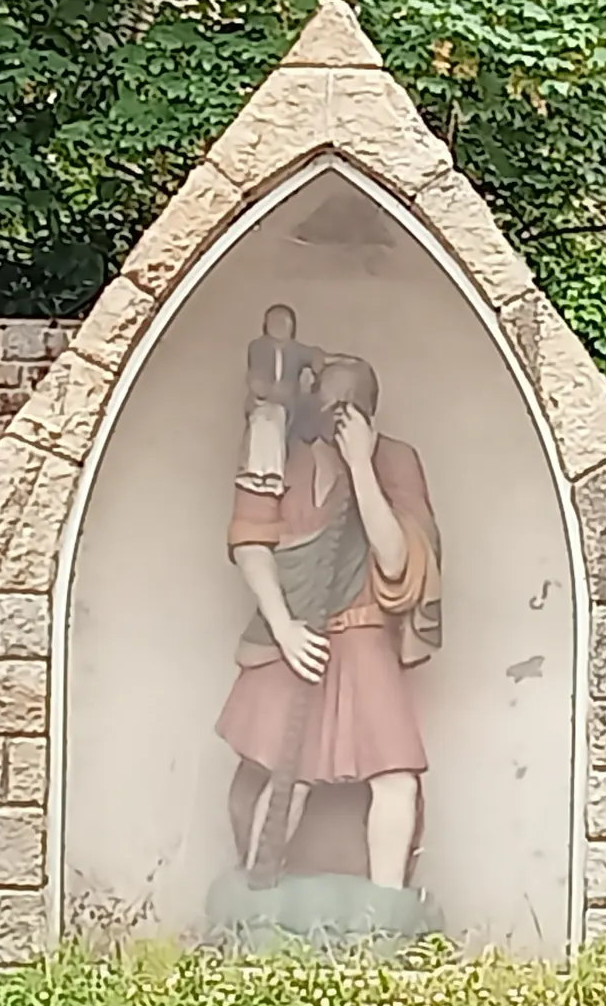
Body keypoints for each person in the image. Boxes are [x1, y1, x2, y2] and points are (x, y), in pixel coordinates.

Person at [215, 354, 443, 891]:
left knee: (396, 777)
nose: (335, 416)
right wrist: (284, 629)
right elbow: (252, 546)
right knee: (283, 775)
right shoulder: (278, 458)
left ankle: (389, 910)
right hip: (294, 635)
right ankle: (255, 894)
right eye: (328, 404)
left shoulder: (394, 462)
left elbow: (396, 561)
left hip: (362, 633)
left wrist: (362, 467)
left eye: (349, 407)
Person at [236, 304, 324, 497]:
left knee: (275, 422)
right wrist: (260, 386)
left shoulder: (297, 350)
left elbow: (315, 356)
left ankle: (273, 474)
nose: (277, 326)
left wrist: (319, 366)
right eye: (273, 321)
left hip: (284, 402)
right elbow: (255, 373)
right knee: (260, 421)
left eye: (283, 322)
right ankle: (255, 471)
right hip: (262, 399)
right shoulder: (258, 346)